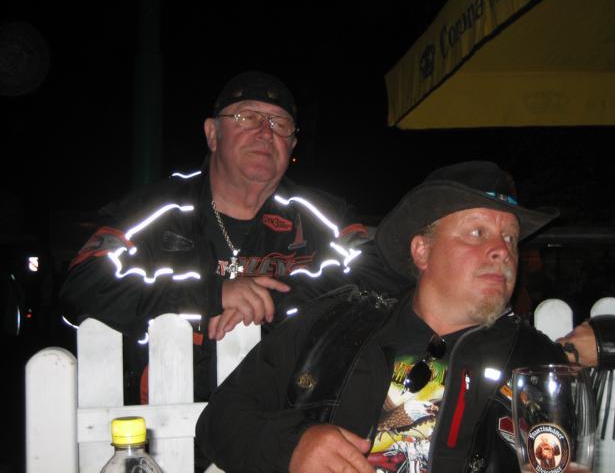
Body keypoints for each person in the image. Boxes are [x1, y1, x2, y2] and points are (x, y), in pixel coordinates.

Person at [195, 160, 571, 472]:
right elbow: (220, 420)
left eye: (510, 238)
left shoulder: (536, 361)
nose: (502, 250)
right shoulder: (334, 325)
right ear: (422, 251)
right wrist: (293, 447)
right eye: (477, 232)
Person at [59, 70, 384, 404]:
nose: (265, 132)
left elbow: (384, 272)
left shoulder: (323, 215)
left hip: (292, 417)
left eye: (279, 123)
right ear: (213, 134)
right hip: (170, 418)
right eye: (247, 117)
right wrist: (211, 295)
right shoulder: (154, 211)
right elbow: (82, 286)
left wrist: (273, 299)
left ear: (292, 145)